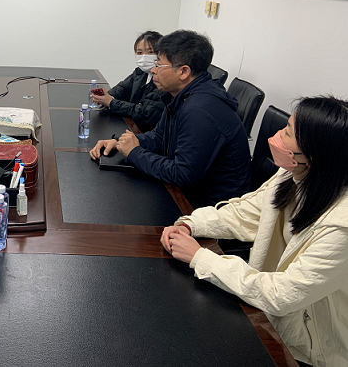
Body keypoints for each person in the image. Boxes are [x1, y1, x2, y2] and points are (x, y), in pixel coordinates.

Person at [161, 96, 348, 367]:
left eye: (288, 132)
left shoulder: (341, 227)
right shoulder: (294, 175)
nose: (278, 135)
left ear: (314, 156)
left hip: (312, 349)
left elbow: (283, 295)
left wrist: (200, 257)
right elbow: (244, 214)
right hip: (268, 313)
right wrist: (192, 224)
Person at [90, 30, 251, 208]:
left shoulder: (200, 110)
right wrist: (120, 142)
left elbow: (182, 174)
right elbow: (159, 136)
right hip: (192, 193)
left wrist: (134, 152)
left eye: (159, 65)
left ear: (183, 72)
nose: (153, 70)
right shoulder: (180, 95)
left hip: (214, 208)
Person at [90, 30, 166, 132]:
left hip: (148, 134)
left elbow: (145, 114)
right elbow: (122, 89)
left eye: (150, 52)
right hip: (132, 127)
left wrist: (111, 103)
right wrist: (106, 96)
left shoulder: (164, 81)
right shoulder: (140, 72)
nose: (144, 56)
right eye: (139, 53)